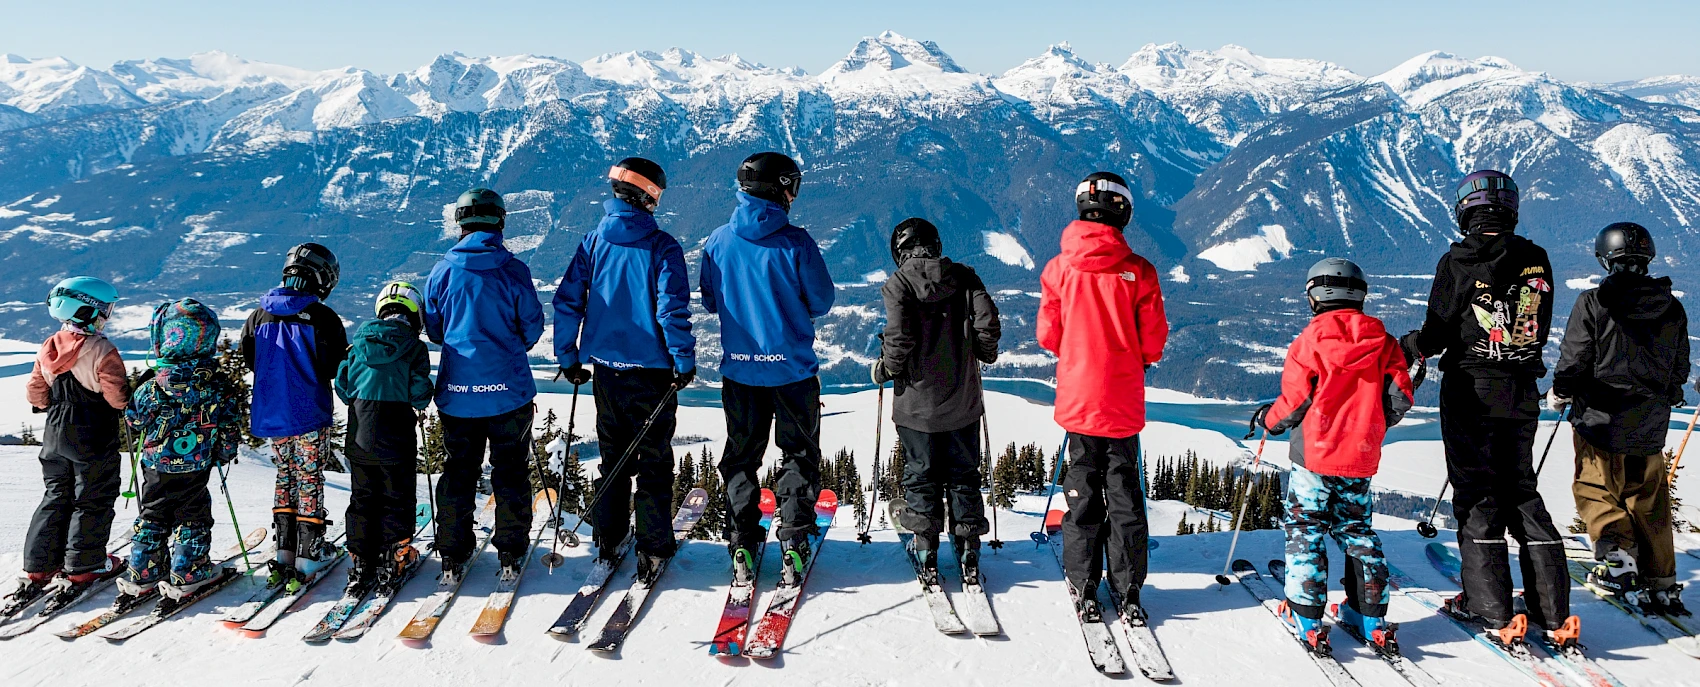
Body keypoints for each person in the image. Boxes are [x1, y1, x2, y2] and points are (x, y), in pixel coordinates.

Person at [1401, 170, 1578, 647]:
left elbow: (1435, 334)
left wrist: (1407, 346)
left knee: (1477, 492)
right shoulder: (1536, 259)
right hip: (1521, 390)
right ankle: (1554, 614)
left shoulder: (1458, 259)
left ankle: (1492, 610)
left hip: (1471, 391)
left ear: (1465, 210)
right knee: (1521, 488)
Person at [1259, 259, 1416, 654]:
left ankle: (1306, 616)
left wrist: (1269, 419)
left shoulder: (1309, 341)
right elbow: (1401, 396)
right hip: (1360, 456)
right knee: (1357, 530)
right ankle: (1370, 617)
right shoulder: (1385, 343)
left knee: (1306, 527)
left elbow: (1295, 403)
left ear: (1315, 297)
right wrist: (1373, 425)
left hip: (1314, 456)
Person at [553, 157, 696, 581]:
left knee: (613, 459)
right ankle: (653, 548)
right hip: (652, 374)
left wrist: (568, 356)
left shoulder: (593, 242)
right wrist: (683, 360)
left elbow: (567, 301)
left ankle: (609, 538)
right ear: (650, 195)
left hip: (606, 372)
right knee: (654, 462)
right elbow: (672, 310)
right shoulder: (662, 247)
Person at [1037, 171, 1167, 621]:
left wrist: (1076, 351)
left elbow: (1047, 335)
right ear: (1125, 212)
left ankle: (1082, 583)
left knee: (1081, 495)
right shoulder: (1141, 272)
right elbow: (1153, 342)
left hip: (1078, 401)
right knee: (1126, 496)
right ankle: (1128, 588)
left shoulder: (1058, 269)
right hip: (1123, 403)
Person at [699, 151, 834, 584]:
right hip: (792, 372)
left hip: (739, 372)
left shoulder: (718, 241)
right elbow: (822, 302)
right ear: (781, 188)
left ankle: (741, 538)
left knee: (741, 456)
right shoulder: (797, 242)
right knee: (798, 452)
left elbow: (709, 299)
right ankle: (793, 538)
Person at [1551, 222, 1690, 615]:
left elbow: (1575, 359)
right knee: (1649, 500)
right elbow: (1679, 367)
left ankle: (1618, 560)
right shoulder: (1672, 307)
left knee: (1596, 490)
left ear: (1604, 258)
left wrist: (1561, 391)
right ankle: (1662, 579)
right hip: (1650, 422)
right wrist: (1668, 395)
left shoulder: (1594, 303)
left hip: (1600, 420)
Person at [871, 217, 1000, 584]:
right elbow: (987, 322)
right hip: (962, 401)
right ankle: (969, 549)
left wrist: (886, 370)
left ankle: (927, 551)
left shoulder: (898, 285)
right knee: (963, 475)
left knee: (921, 476)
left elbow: (898, 338)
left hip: (916, 407)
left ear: (899, 252)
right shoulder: (964, 276)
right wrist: (984, 353)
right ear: (936, 245)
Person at [424, 187, 545, 581]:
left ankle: (452, 552)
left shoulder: (442, 271)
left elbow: (435, 330)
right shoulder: (513, 270)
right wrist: (507, 348)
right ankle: (510, 551)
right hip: (508, 390)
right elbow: (531, 327)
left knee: (458, 471)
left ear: (459, 221)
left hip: (457, 393)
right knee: (510, 470)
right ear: (501, 221)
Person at [5, 278, 129, 613]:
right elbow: (117, 397)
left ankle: (39, 565)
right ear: (85, 310)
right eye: (103, 309)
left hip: (54, 434)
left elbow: (35, 393)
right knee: (92, 497)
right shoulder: (102, 350)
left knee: (56, 494)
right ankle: (85, 566)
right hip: (91, 433)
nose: (106, 316)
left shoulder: (49, 346)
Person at [118, 299, 244, 606]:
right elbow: (229, 422)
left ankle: (141, 572)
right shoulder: (216, 384)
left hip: (155, 464)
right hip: (196, 462)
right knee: (193, 514)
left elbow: (133, 419)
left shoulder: (151, 385)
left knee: (153, 512)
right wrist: (225, 452)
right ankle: (189, 572)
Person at [240, 242, 348, 587]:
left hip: (273, 412)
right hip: (309, 412)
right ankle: (309, 551)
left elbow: (249, 358)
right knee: (309, 477)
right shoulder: (323, 318)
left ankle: (284, 549)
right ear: (322, 278)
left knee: (285, 474)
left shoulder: (258, 315)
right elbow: (333, 367)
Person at [335, 281, 433, 597]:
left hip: (360, 435)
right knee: (397, 497)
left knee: (363, 498)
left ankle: (361, 561)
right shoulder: (414, 348)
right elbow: (419, 394)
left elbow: (343, 386)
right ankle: (396, 556)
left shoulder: (358, 344)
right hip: (397, 436)